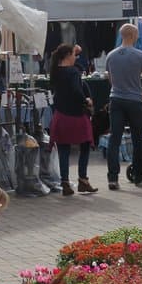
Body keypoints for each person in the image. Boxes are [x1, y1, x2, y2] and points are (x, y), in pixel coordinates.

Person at [104, 23, 142, 190]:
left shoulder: (111, 56)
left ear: (121, 35)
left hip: (116, 99)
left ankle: (113, 178)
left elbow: (111, 79)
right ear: (134, 35)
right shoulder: (141, 55)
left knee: (114, 138)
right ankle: (139, 176)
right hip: (135, 100)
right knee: (138, 139)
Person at [48, 44, 98, 196]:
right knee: (84, 146)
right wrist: (86, 101)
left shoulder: (55, 71)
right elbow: (77, 91)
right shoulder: (73, 72)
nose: (75, 57)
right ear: (68, 55)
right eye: (73, 55)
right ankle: (83, 179)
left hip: (60, 115)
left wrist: (75, 50)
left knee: (63, 149)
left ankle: (65, 182)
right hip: (76, 115)